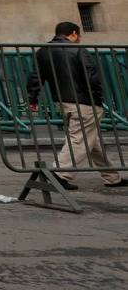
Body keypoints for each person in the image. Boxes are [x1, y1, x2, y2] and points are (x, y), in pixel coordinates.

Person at [26, 21, 125, 191]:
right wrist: (97, 98)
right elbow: (91, 76)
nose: (79, 39)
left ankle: (112, 177)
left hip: (63, 101)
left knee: (91, 141)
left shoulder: (43, 51)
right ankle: (60, 174)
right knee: (80, 139)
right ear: (73, 33)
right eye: (79, 35)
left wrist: (32, 98)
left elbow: (36, 77)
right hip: (84, 101)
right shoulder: (78, 49)